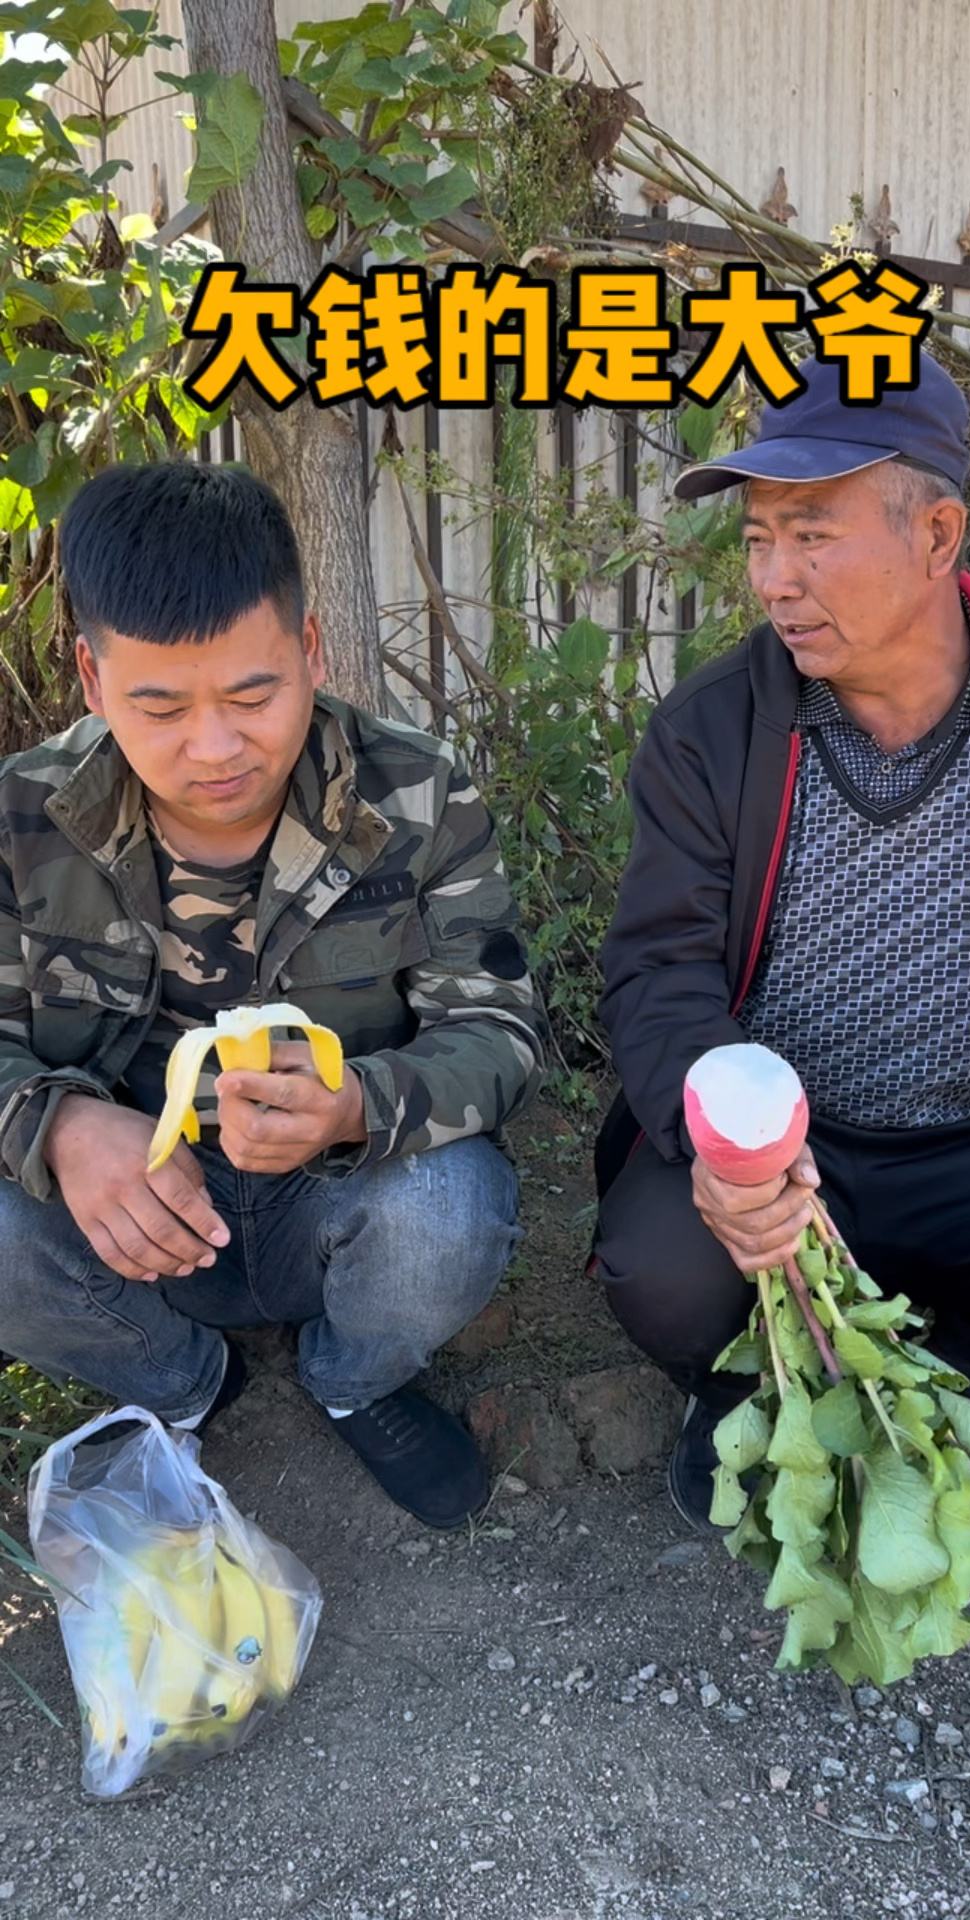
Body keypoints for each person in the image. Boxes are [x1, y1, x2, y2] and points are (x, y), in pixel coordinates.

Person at [0, 461, 545, 1530]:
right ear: (94, 679)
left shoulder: (416, 792)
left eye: (253, 697)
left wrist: (356, 1107)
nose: (214, 748)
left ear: (309, 649)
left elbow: (496, 1029)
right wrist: (58, 1126)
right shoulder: (22, 818)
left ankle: (353, 1376)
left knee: (455, 1207)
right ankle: (186, 1384)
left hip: (338, 1199)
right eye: (160, 708)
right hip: (127, 1223)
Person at [594, 352, 970, 1533]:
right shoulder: (715, 731)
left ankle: (947, 1387)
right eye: (760, 540)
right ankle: (740, 1385)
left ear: (939, 534)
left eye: (812, 535)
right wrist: (729, 1158)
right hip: (781, 1142)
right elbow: (659, 969)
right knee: (660, 1268)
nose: (774, 579)